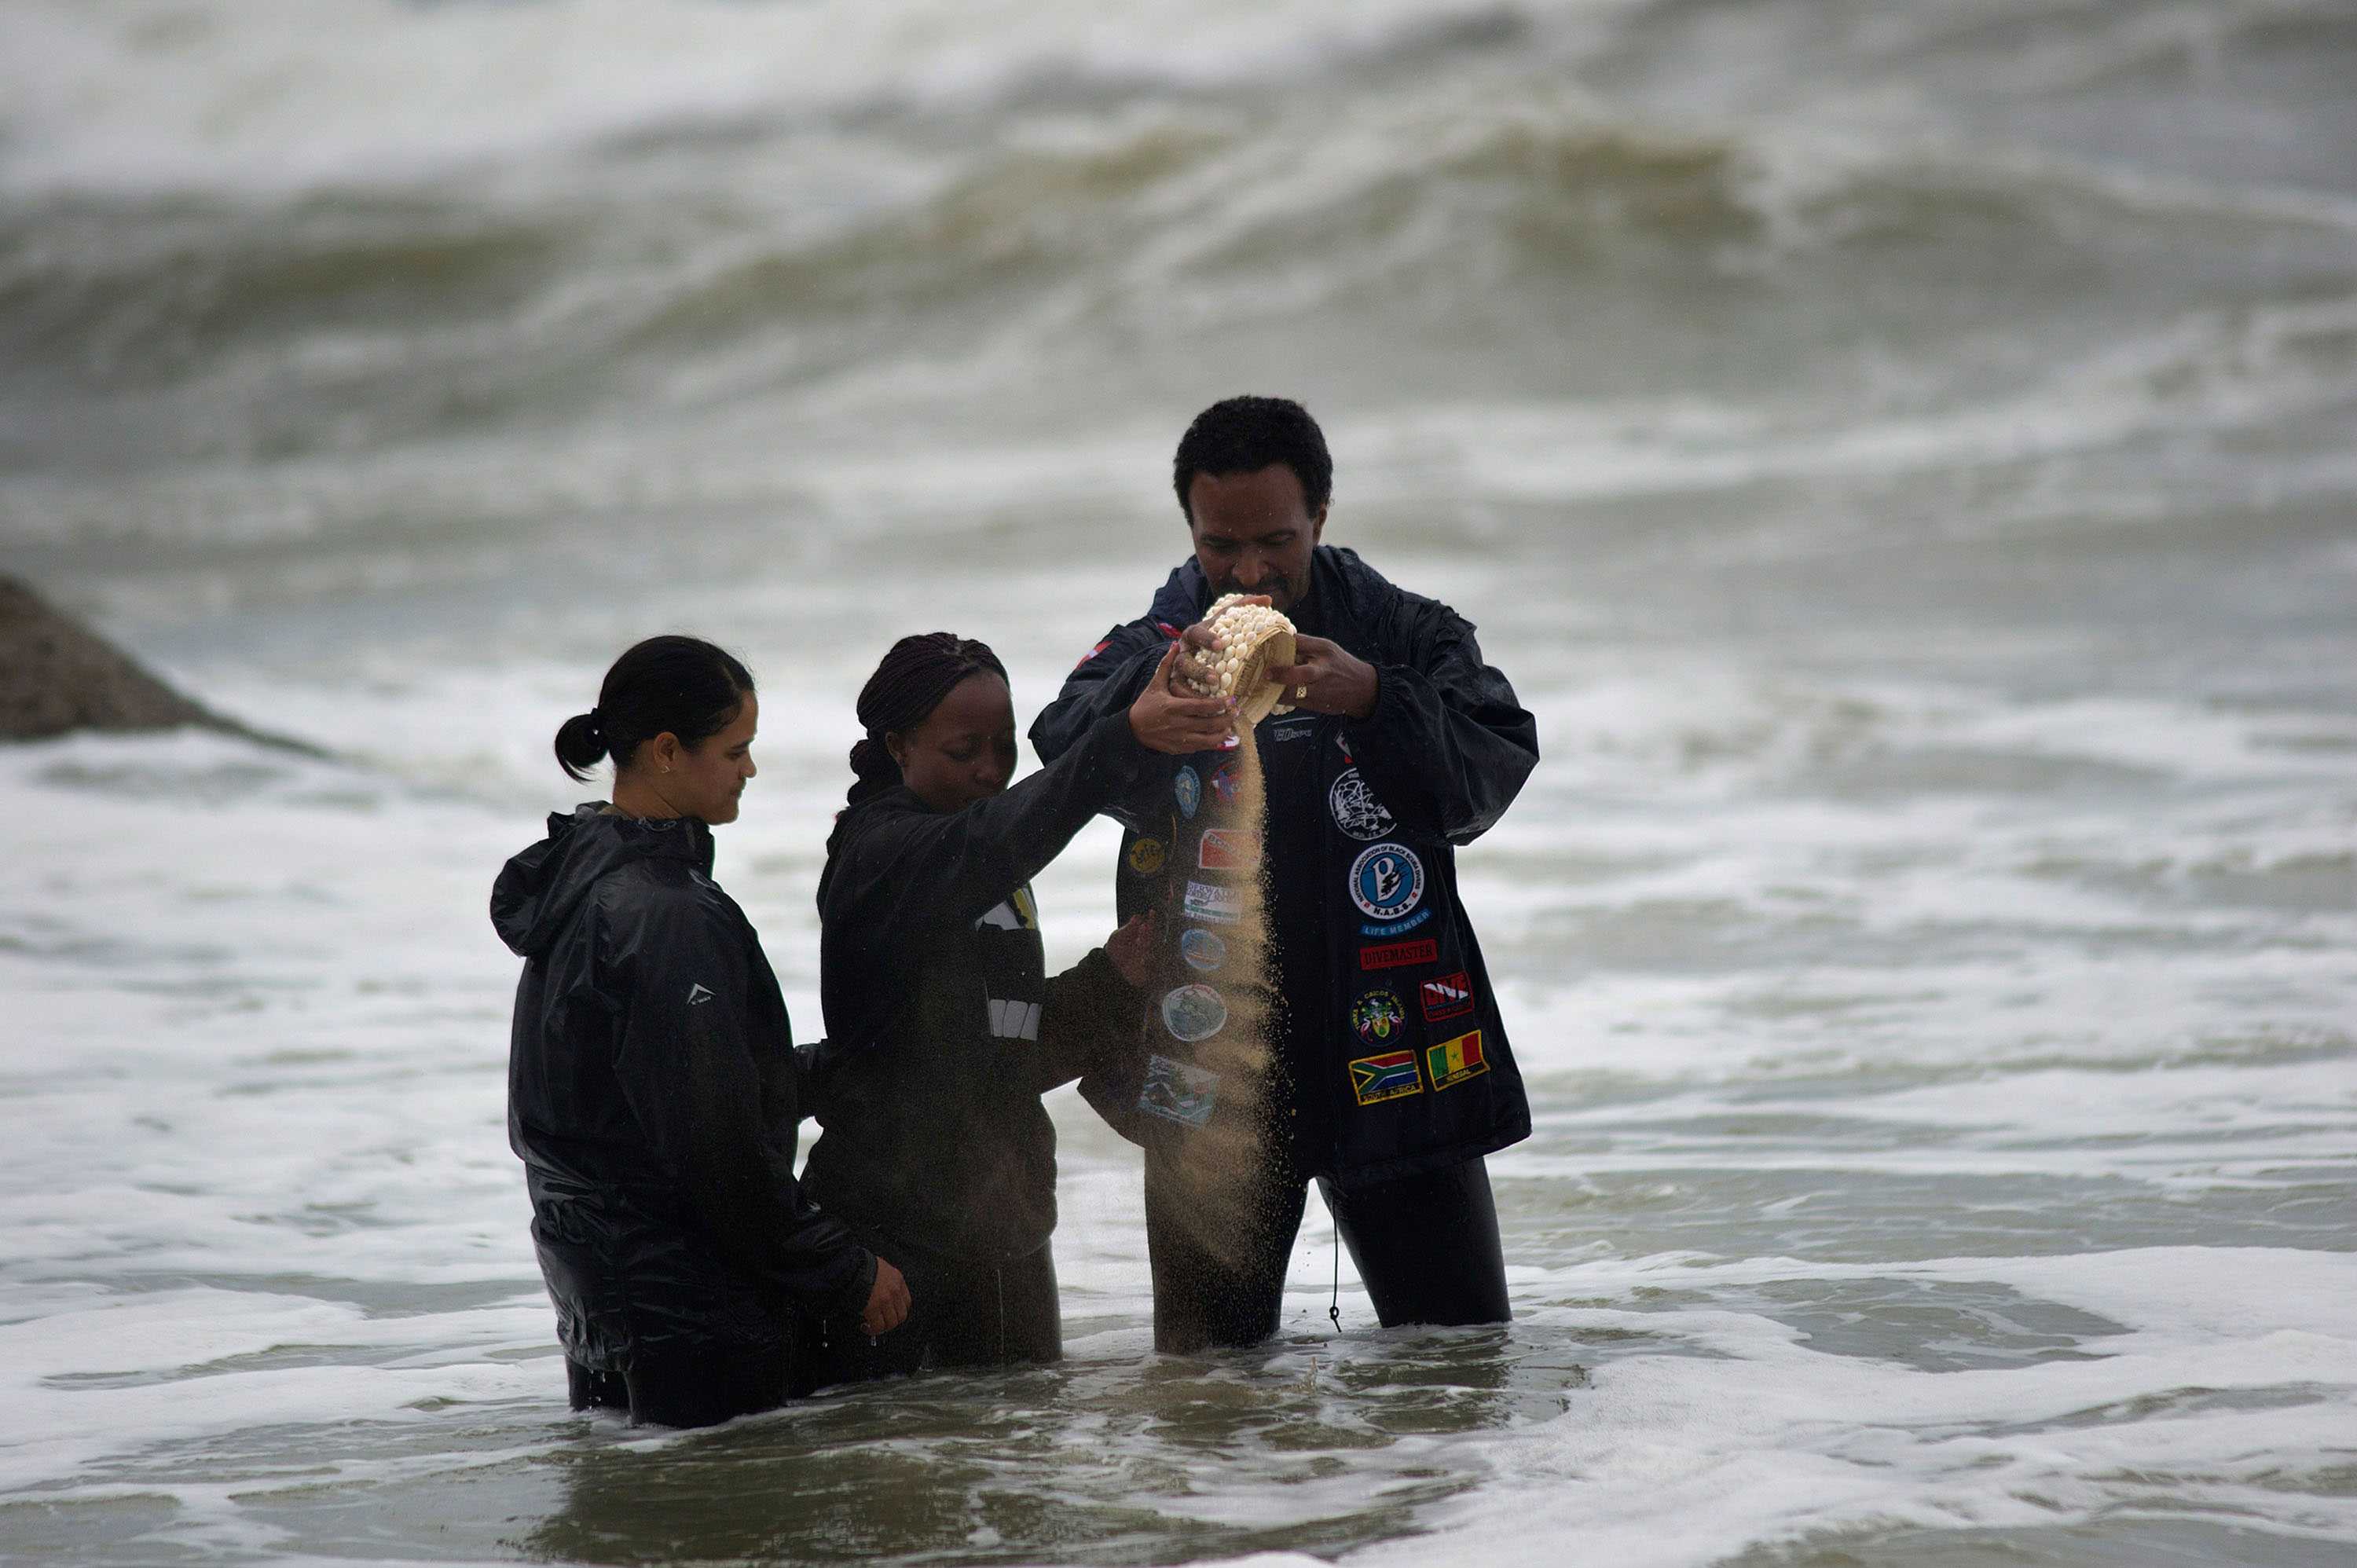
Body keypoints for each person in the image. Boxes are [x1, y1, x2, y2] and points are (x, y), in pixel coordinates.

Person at [1032, 396, 1540, 1352]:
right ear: (1190, 528)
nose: (1251, 571)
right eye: (1222, 545)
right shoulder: (1149, 650)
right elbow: (1057, 751)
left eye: (1278, 540)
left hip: (1399, 1061)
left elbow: (1493, 768)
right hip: (1212, 1073)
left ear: (1322, 517)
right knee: (1208, 1394)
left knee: (1461, 1368)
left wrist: (1379, 697)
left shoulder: (1407, 633)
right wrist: (1136, 725)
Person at [492, 635, 911, 1427]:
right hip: (685, 1309)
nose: (750, 768)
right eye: (736, 748)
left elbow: (633, 1096)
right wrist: (844, 1271)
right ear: (665, 752)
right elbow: (713, 1147)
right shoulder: (665, 914)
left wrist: (831, 1071)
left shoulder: (582, 885)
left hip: (598, 1299)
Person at [795, 630, 1229, 1385]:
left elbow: (998, 1053)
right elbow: (1001, 837)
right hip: (893, 1244)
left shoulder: (976, 854)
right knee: (886, 1480)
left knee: (1020, 1474)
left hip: (1006, 1228)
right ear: (898, 745)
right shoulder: (884, 853)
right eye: (964, 752)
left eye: (1004, 747)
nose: (991, 771)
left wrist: (1108, 979)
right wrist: (1119, 738)